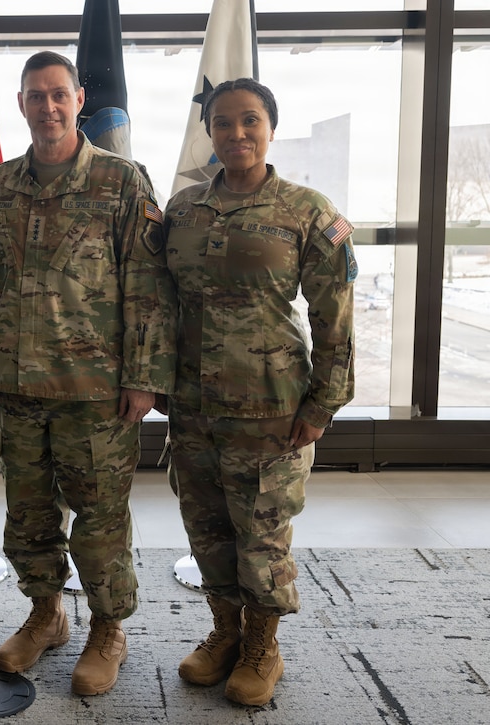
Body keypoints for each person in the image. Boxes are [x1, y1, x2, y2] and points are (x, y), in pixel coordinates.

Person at [0, 51, 176, 697]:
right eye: (35, 96)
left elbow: (147, 288)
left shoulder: (121, 182)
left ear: (80, 99)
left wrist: (144, 377)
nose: (48, 107)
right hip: (19, 386)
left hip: (96, 393)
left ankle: (108, 626)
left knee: (100, 517)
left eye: (59, 94)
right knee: (27, 513)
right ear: (21, 103)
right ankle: (46, 613)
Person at [164, 78, 356, 707]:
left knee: (263, 538)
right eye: (223, 123)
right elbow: (159, 303)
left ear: (270, 128)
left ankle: (261, 646)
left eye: (249, 121)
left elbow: (336, 316)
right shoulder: (183, 211)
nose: (236, 134)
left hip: (272, 410)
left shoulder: (307, 211)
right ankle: (224, 634)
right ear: (210, 132)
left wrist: (323, 403)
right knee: (209, 532)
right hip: (193, 407)